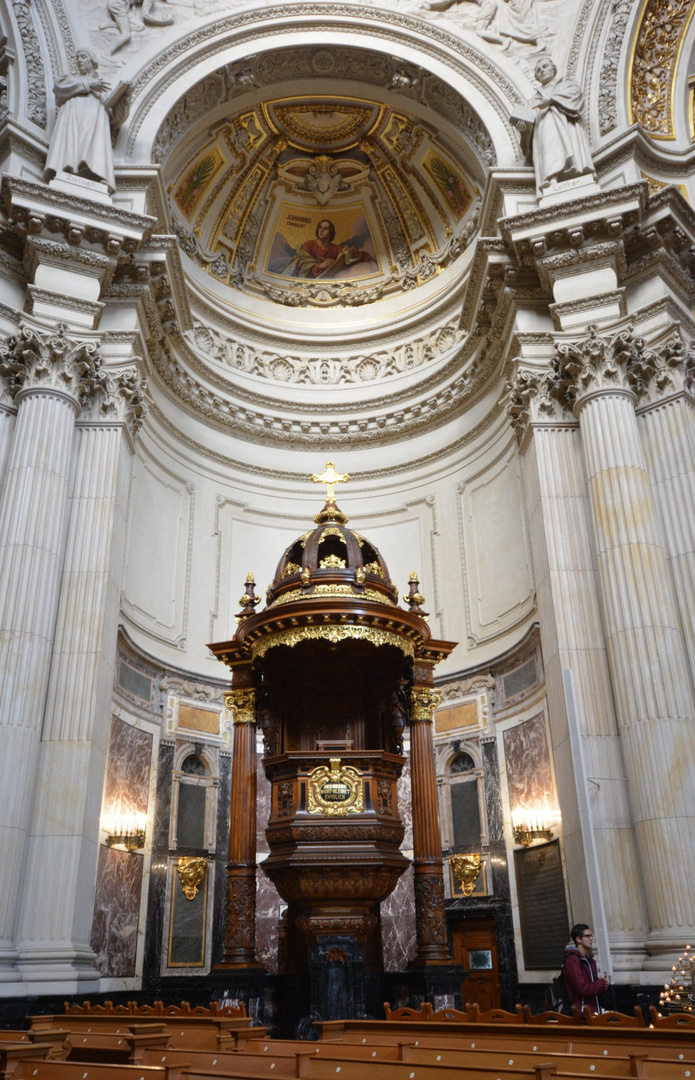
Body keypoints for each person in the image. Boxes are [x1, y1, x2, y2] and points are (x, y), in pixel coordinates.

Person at [45, 49, 120, 192]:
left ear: (93, 62)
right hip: (73, 117)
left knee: (91, 144)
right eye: (77, 58)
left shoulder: (103, 86)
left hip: (94, 121)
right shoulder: (69, 80)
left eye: (83, 57)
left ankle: (92, 172)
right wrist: (88, 84)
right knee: (71, 144)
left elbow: (117, 118)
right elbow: (58, 86)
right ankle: (67, 169)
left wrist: (126, 97)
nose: (79, 60)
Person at [530, 57, 596, 194]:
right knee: (549, 145)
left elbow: (575, 95)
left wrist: (552, 100)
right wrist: (523, 127)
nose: (542, 71)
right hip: (546, 126)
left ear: (553, 69)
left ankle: (576, 170)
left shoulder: (566, 85)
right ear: (536, 77)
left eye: (545, 66)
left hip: (567, 125)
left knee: (568, 143)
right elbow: (529, 120)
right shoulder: (535, 98)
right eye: (538, 70)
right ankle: (552, 178)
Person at [288, 219, 374, 279]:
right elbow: (300, 263)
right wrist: (321, 265)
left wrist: (351, 253)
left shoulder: (334, 248)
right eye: (320, 227)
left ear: (330, 232)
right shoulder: (309, 245)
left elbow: (344, 255)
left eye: (325, 229)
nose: (321, 231)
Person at [563, 924, 608, 1014]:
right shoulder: (572, 960)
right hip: (581, 1013)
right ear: (578, 939)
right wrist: (600, 984)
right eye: (587, 936)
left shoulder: (590, 960)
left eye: (591, 936)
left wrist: (602, 985)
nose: (591, 938)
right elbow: (583, 989)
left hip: (593, 1010)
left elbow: (591, 986)